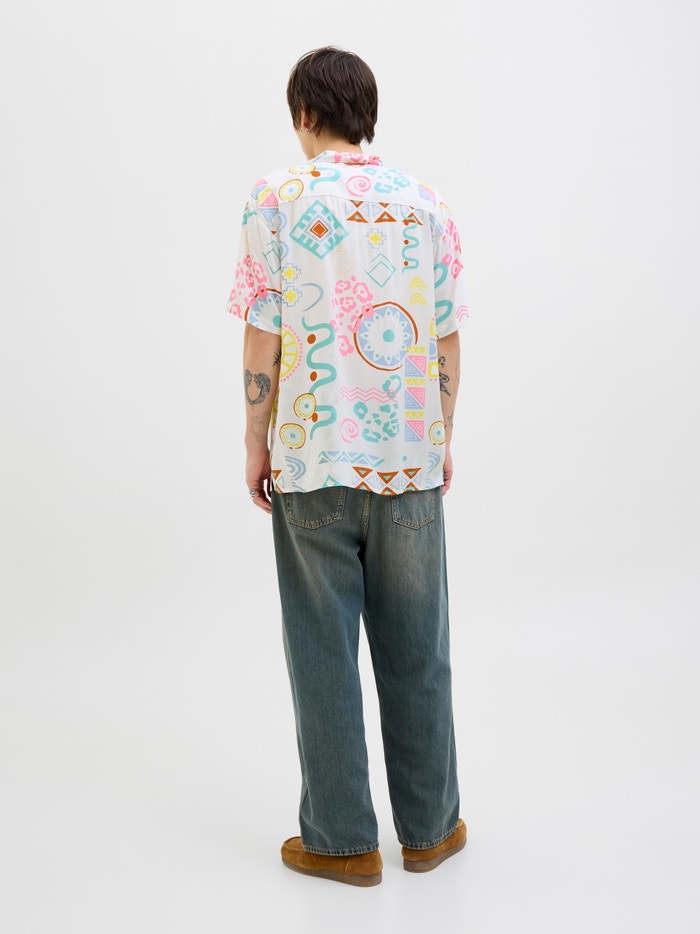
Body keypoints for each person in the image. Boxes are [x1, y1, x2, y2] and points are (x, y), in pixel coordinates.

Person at [226, 46, 469, 886]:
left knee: (321, 650)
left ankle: (342, 842)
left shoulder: (276, 198)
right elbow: (446, 338)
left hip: (311, 455)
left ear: (305, 115)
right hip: (408, 460)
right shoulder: (426, 203)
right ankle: (431, 831)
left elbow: (263, 332)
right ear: (367, 115)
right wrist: (439, 436)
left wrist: (254, 440)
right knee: (419, 649)